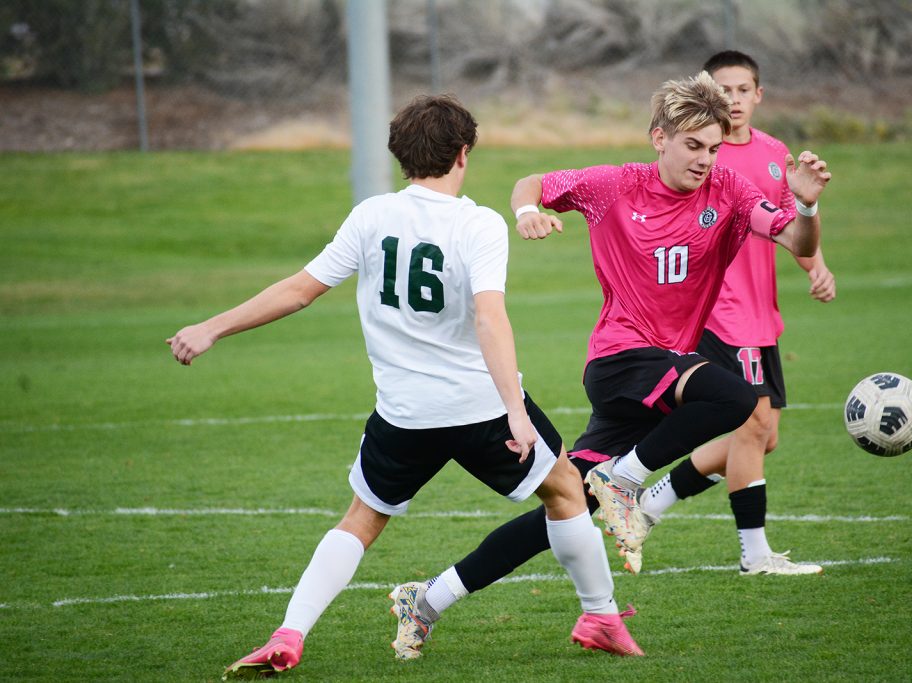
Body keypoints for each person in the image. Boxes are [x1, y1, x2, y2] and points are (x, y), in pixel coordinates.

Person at [166, 94, 642, 678]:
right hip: (480, 408)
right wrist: (515, 412)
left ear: (401, 156)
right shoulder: (478, 223)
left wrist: (211, 327)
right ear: (463, 153)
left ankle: (289, 632)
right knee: (566, 490)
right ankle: (599, 617)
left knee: (360, 521)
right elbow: (490, 318)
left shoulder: (371, 216)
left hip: (404, 414)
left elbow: (299, 290)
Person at [385, 71, 832, 656]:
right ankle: (623, 482)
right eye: (692, 146)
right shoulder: (614, 185)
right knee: (734, 399)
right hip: (621, 359)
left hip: (663, 369)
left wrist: (803, 202)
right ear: (659, 138)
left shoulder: (728, 190)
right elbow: (532, 183)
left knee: (567, 502)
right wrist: (527, 214)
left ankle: (427, 599)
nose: (704, 160)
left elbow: (797, 242)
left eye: (713, 148)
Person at [637, 50, 837, 576]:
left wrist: (815, 265)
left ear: (758, 95)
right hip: (720, 316)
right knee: (753, 426)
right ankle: (755, 555)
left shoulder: (775, 154)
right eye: (723, 90)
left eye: (743, 90)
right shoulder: (703, 156)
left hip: (760, 313)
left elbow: (789, 223)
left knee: (762, 436)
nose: (734, 100)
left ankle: (651, 502)